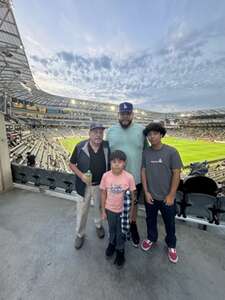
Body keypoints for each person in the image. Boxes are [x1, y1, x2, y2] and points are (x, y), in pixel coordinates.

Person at [141, 122, 183, 263]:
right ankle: (151, 238)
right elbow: (143, 171)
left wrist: (171, 195)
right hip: (151, 196)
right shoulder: (146, 152)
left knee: (170, 223)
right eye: (149, 134)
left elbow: (176, 174)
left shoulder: (172, 152)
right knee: (150, 220)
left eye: (155, 133)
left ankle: (171, 245)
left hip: (167, 198)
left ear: (161, 135)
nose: (151, 137)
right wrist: (146, 192)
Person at [106, 102, 145, 247]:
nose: (125, 116)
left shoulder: (141, 130)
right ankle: (116, 229)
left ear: (132, 114)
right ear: (118, 115)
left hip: (135, 178)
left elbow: (147, 153)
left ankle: (133, 224)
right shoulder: (110, 131)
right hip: (115, 178)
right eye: (122, 114)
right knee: (114, 203)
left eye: (128, 114)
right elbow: (106, 154)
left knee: (134, 205)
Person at [69, 123, 110, 249]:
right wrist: (81, 176)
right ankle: (80, 234)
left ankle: (98, 225)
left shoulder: (107, 146)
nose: (98, 135)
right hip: (83, 186)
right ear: (89, 133)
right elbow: (71, 164)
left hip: (100, 185)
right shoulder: (80, 146)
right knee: (82, 211)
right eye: (95, 132)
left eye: (100, 132)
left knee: (98, 207)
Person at [100, 150, 136, 269]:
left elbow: (133, 197)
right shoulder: (106, 176)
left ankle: (120, 250)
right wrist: (103, 211)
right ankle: (112, 243)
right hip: (110, 210)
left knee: (121, 232)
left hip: (123, 212)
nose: (116, 164)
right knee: (112, 229)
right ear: (110, 163)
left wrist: (131, 214)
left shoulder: (129, 177)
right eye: (114, 162)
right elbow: (103, 193)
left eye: (119, 162)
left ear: (124, 163)